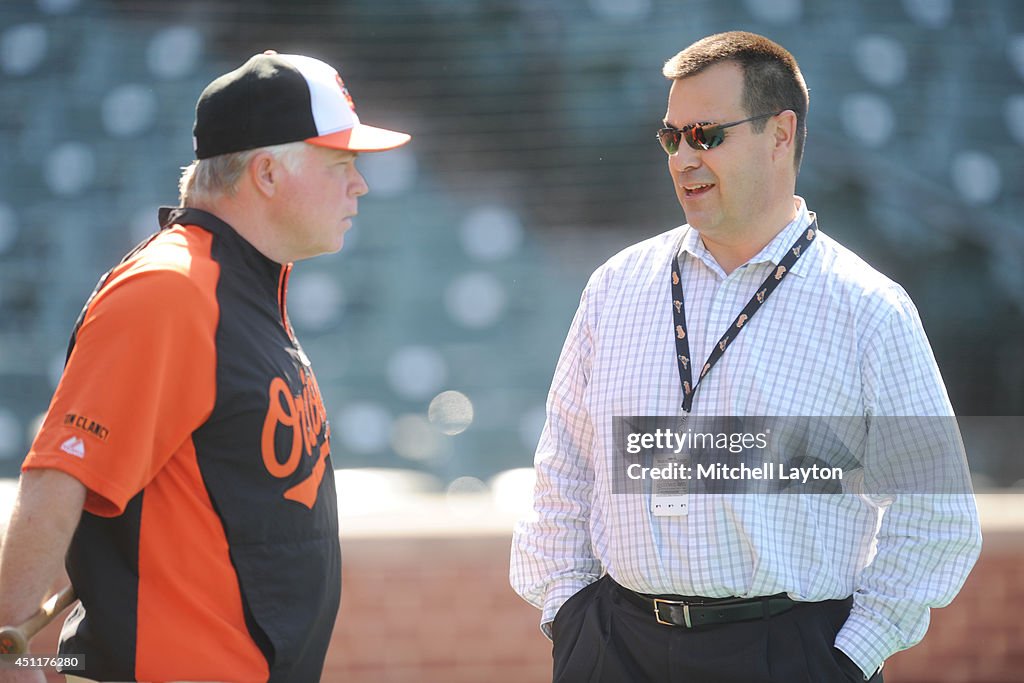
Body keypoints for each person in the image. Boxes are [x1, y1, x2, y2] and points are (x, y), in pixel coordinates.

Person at [510, 31, 981, 683]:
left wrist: (847, 657)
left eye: (706, 135)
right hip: (616, 646)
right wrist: (570, 619)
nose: (683, 157)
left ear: (780, 134)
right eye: (671, 137)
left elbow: (937, 510)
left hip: (789, 653)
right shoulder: (615, 286)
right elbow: (565, 465)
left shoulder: (868, 308)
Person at [0, 51, 409, 682]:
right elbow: (60, 479)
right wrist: (14, 661)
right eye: (341, 164)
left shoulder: (237, 285)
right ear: (267, 172)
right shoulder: (170, 289)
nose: (359, 185)